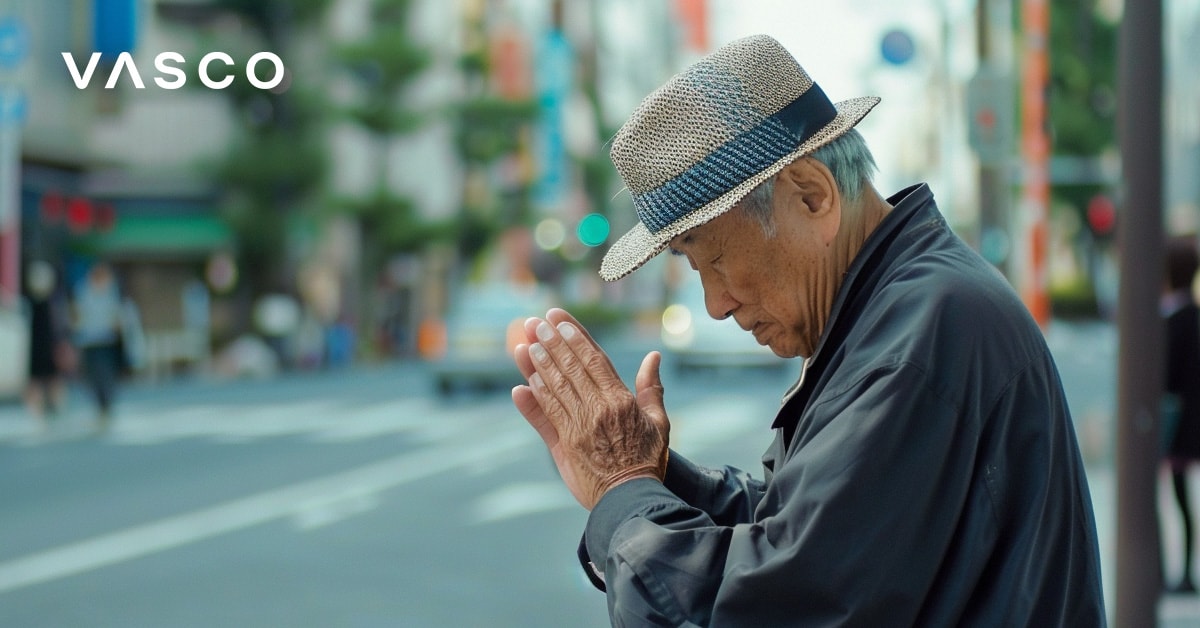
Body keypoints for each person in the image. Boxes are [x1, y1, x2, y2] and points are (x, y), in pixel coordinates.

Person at [510, 35, 1105, 625]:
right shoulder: (902, 308)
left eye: (712, 260)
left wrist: (623, 490)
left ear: (813, 196)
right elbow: (805, 525)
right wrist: (655, 475)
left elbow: (779, 603)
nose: (716, 305)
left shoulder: (917, 339)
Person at [1161, 234, 1200, 594]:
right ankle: (1184, 571)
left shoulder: (1174, 323)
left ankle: (1181, 572)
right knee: (1182, 499)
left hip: (1178, 425)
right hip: (1192, 421)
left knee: (1177, 498)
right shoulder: (1194, 318)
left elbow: (1168, 378)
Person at [71, 262, 124, 431]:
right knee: (93, 375)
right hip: (88, 341)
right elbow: (77, 313)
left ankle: (106, 405)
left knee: (106, 374)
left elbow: (116, 314)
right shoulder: (83, 290)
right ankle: (100, 405)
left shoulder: (110, 291)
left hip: (106, 340)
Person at [23, 260, 71, 431]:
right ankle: (38, 411)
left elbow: (60, 327)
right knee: (39, 380)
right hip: (37, 348)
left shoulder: (51, 302)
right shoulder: (31, 303)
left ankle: (53, 409)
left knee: (51, 379)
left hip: (46, 347)